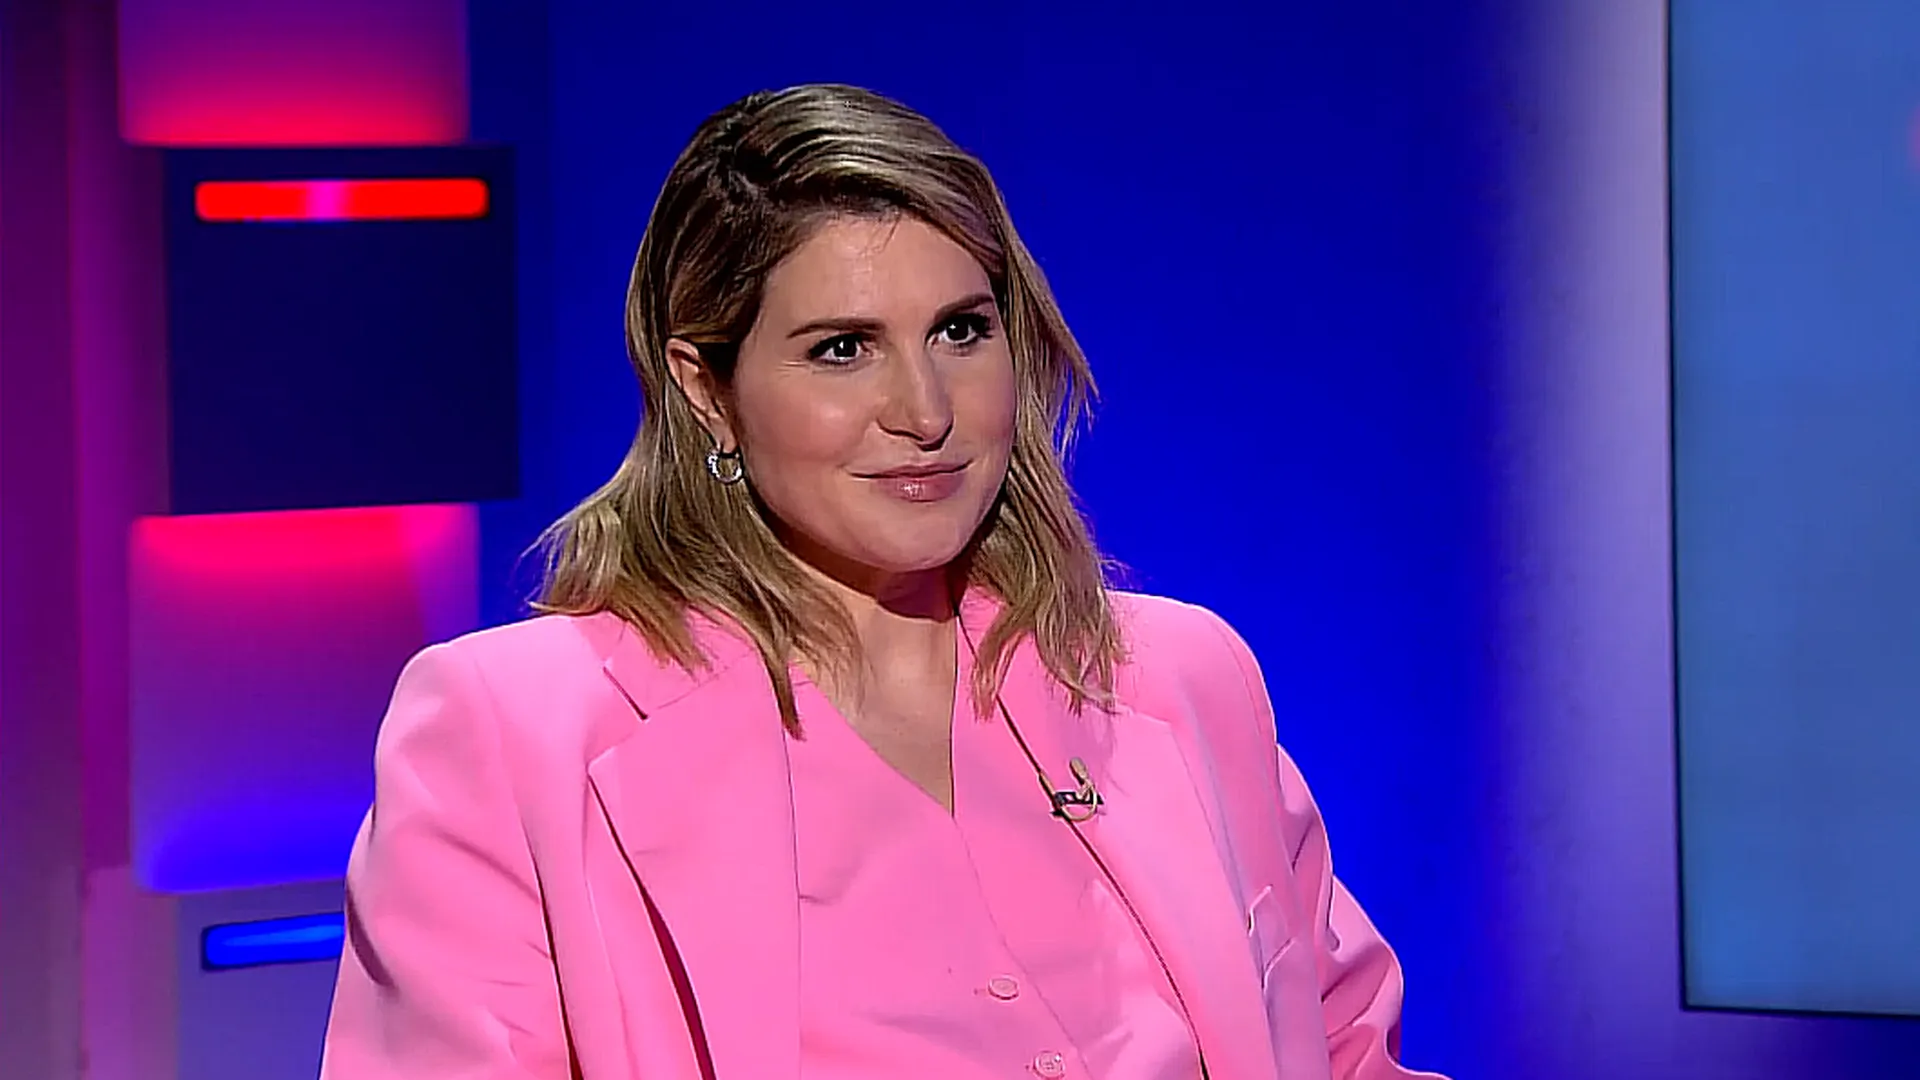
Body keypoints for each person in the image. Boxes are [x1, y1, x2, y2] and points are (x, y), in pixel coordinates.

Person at [319, 83, 1443, 1080]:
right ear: (707, 388)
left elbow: (1348, 1057)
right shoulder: (514, 730)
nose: (925, 411)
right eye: (842, 348)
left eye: (960, 330)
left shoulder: (1180, 678)